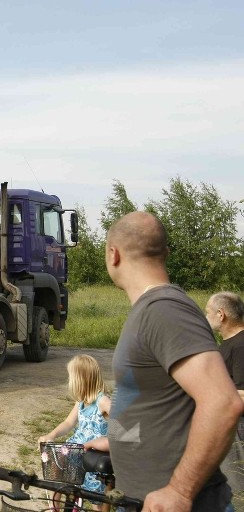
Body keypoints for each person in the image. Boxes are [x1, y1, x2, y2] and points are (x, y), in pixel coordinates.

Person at [105, 211, 243, 512]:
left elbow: (223, 403)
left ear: (113, 255)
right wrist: (115, 441)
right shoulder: (150, 310)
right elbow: (158, 403)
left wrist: (179, 491)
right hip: (140, 499)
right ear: (165, 253)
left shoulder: (164, 310)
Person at [39, 354, 111, 510]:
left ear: (81, 380)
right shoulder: (81, 402)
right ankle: (54, 509)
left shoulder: (103, 401)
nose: (70, 383)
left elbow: (123, 423)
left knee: (96, 497)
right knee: (56, 477)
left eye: (72, 378)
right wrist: (51, 435)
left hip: (93, 456)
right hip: (76, 451)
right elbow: (68, 423)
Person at [206, 291, 244, 499]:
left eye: (208, 311)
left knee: (237, 490)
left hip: (237, 429)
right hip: (226, 426)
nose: (206, 316)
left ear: (221, 314)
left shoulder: (241, 346)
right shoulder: (228, 344)